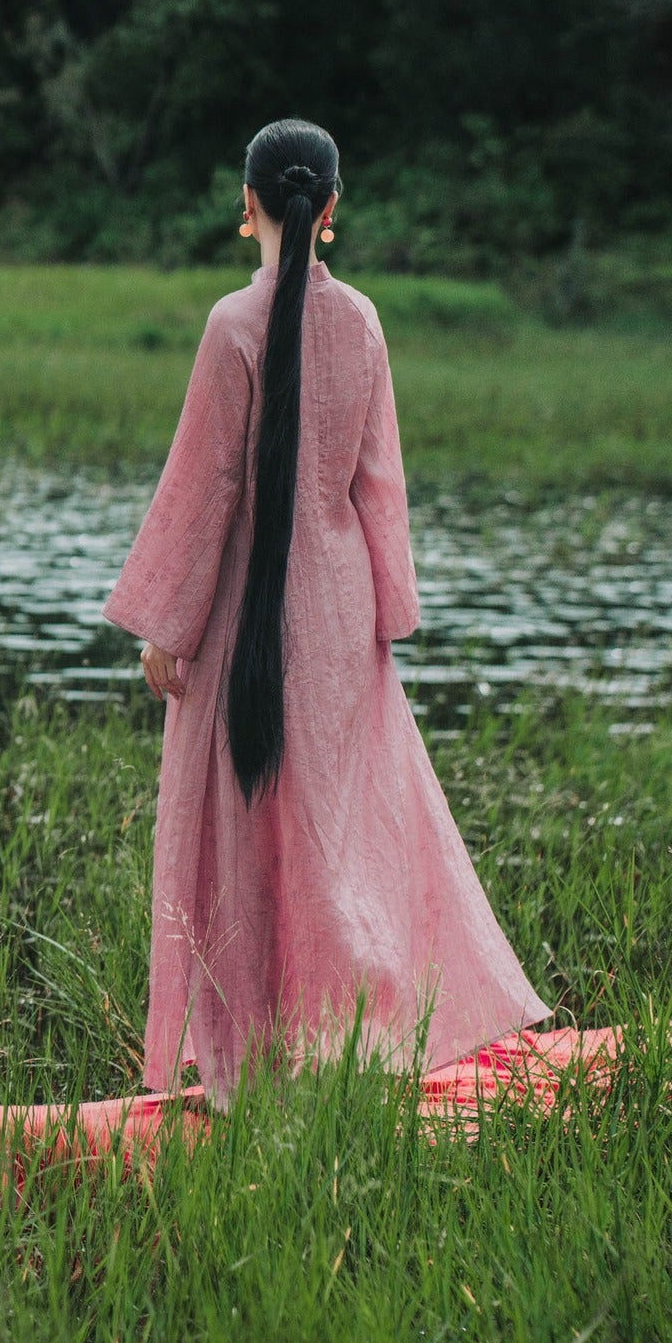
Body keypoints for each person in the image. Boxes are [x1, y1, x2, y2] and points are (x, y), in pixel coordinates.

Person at [102, 117, 552, 1107]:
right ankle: (359, 1041)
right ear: (332, 210)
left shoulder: (230, 325)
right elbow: (377, 484)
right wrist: (387, 615)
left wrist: (165, 629)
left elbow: (208, 485)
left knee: (247, 831)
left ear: (248, 205)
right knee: (343, 833)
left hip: (246, 615)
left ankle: (250, 1063)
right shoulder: (365, 322)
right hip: (341, 616)